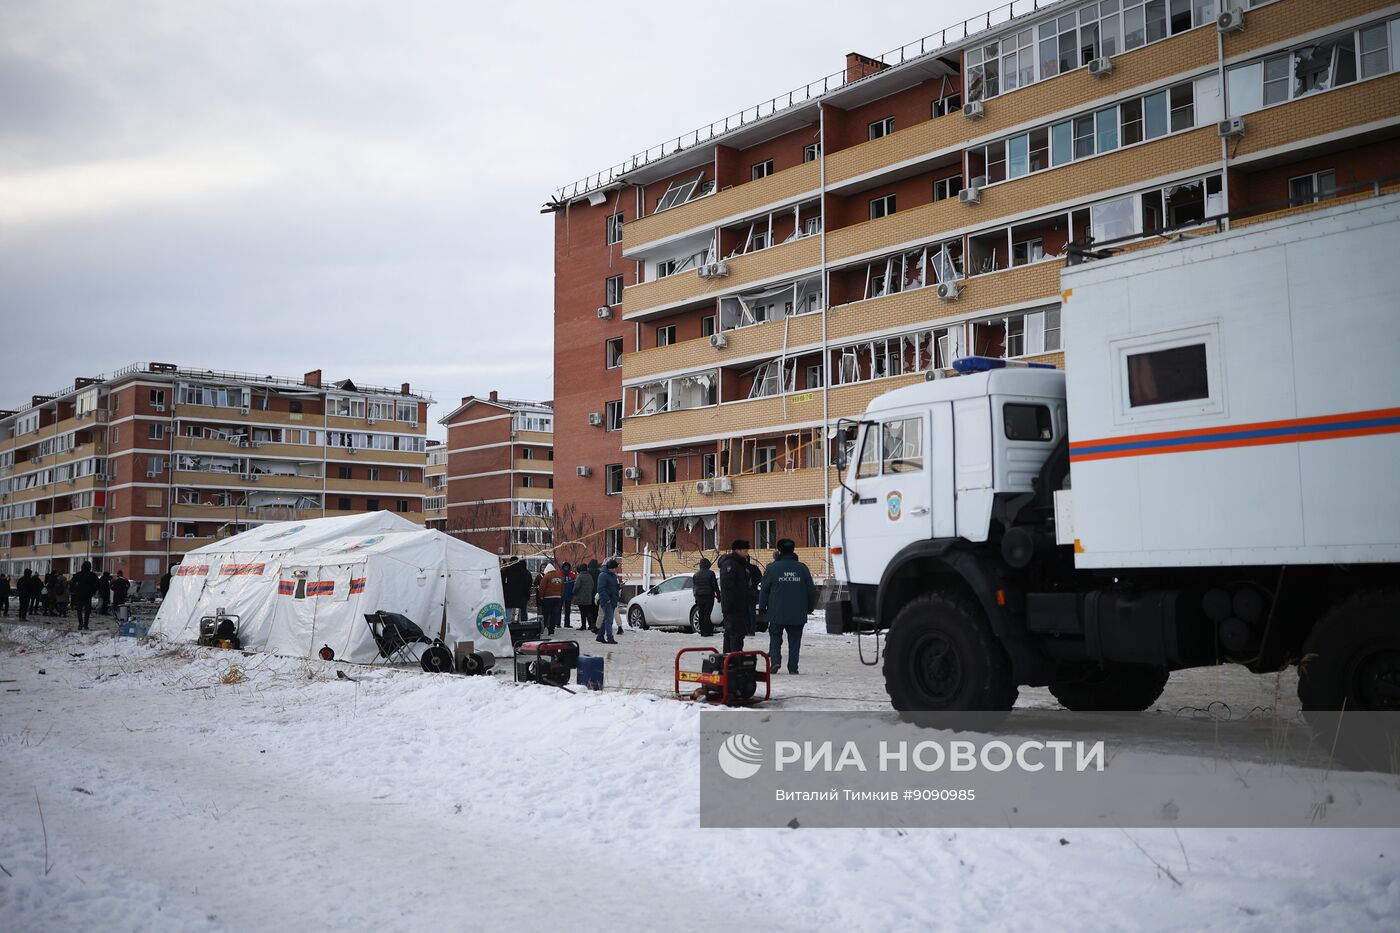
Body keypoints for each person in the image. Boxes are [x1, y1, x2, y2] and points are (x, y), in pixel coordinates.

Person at [758, 539, 818, 675]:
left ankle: (775, 662)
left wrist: (762, 607)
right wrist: (810, 607)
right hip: (797, 612)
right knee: (795, 641)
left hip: (776, 611)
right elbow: (810, 590)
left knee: (775, 638)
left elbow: (764, 590)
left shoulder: (772, 568)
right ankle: (793, 667)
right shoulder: (802, 568)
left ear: (779, 551)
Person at [718, 539, 757, 654]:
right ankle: (732, 659)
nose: (747, 554)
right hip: (733, 607)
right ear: (737, 550)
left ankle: (732, 659)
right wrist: (729, 605)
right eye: (745, 551)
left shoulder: (740, 564)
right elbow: (727, 587)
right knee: (734, 634)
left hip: (740, 606)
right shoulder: (730, 564)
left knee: (737, 634)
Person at [596, 559, 621, 645]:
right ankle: (610, 638)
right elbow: (601, 589)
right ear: (610, 568)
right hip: (607, 601)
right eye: (614, 568)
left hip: (612, 600)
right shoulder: (603, 575)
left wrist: (618, 587)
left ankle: (600, 636)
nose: (615, 570)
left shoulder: (613, 575)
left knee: (606, 619)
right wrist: (607, 599)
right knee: (609, 620)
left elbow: (612, 587)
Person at [691, 558, 717, 637]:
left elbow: (694, 588)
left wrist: (696, 597)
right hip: (709, 596)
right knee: (707, 614)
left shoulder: (696, 575)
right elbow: (715, 586)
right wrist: (718, 595)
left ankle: (702, 631)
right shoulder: (711, 573)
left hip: (699, 597)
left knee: (701, 614)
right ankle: (708, 631)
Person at [536, 562, 564, 635]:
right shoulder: (559, 576)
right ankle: (552, 629)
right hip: (557, 598)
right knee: (554, 614)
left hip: (548, 598)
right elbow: (563, 588)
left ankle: (544, 627)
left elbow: (542, 587)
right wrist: (560, 596)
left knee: (546, 614)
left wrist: (541, 596)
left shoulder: (546, 576)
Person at [501, 557, 532, 623]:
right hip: (519, 596)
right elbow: (527, 584)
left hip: (508, 596)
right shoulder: (523, 572)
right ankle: (518, 625)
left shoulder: (506, 571)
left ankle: (508, 626)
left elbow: (502, 583)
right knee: (519, 613)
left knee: (508, 612)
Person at [71, 561, 99, 631]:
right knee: (87, 611)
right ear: (90, 567)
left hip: (79, 594)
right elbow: (98, 584)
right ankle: (86, 624)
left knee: (79, 610)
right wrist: (93, 590)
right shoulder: (92, 575)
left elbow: (72, 582)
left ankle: (80, 623)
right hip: (88, 595)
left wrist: (75, 590)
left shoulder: (78, 574)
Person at [571, 559, 596, 632]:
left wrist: (573, 592)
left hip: (581, 598)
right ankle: (591, 625)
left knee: (582, 612)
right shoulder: (589, 576)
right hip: (588, 597)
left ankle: (583, 625)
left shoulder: (580, 576)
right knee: (588, 611)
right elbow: (592, 585)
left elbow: (576, 587)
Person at [560, 562, 576, 627]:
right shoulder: (560, 574)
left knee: (567, 610)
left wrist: (573, 592)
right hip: (560, 594)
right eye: (565, 567)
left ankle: (567, 623)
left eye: (567, 567)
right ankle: (557, 623)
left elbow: (574, 585)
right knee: (558, 610)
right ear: (563, 567)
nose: (566, 568)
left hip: (569, 594)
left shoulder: (572, 575)